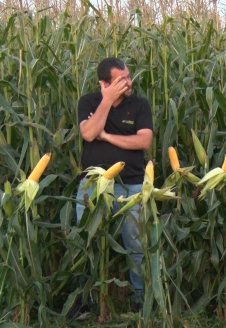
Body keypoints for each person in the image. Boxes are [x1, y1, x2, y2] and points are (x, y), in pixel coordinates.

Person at [75, 57, 153, 308]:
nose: (129, 83)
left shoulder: (139, 105)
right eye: (121, 80)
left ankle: (140, 300)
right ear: (104, 83)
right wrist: (107, 100)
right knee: (86, 240)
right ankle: (88, 300)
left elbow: (143, 142)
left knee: (136, 244)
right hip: (93, 185)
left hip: (131, 185)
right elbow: (88, 133)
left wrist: (106, 135)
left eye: (128, 77)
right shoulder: (89, 102)